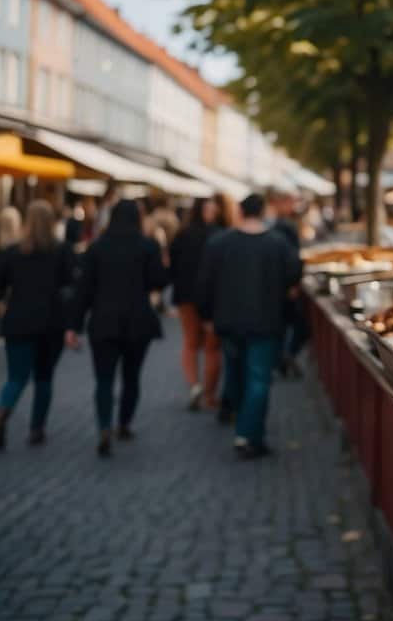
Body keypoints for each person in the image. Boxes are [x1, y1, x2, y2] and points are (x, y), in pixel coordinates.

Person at [197, 194, 302, 458]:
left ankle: (243, 425)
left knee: (236, 375)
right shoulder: (277, 243)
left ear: (241, 212)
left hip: (229, 321)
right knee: (258, 379)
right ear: (263, 211)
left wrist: (207, 317)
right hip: (265, 321)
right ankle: (248, 435)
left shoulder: (219, 243)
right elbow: (294, 274)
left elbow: (205, 283)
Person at [68, 199, 169, 456]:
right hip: (137, 322)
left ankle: (104, 426)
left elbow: (83, 292)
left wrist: (73, 326)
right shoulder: (147, 246)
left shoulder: (97, 248)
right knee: (131, 377)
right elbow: (159, 280)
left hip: (103, 322)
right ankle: (123, 423)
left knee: (104, 379)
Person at [0, 201, 75, 449]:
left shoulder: (13, 252)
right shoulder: (62, 250)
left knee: (16, 377)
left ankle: (1, 412)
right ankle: (37, 428)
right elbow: (71, 285)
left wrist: (4, 304)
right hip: (50, 323)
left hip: (18, 321)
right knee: (44, 378)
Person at [170, 197, 226, 409]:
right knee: (212, 347)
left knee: (191, 343)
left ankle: (195, 386)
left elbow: (172, 266)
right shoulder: (221, 235)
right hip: (214, 298)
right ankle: (210, 395)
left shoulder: (183, 234)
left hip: (186, 296)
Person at [268, 189, 306, 378]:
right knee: (299, 325)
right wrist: (294, 283)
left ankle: (282, 359)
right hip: (286, 284)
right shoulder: (286, 227)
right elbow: (293, 258)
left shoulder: (275, 226)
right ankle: (286, 356)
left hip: (275, 284)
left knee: (281, 326)